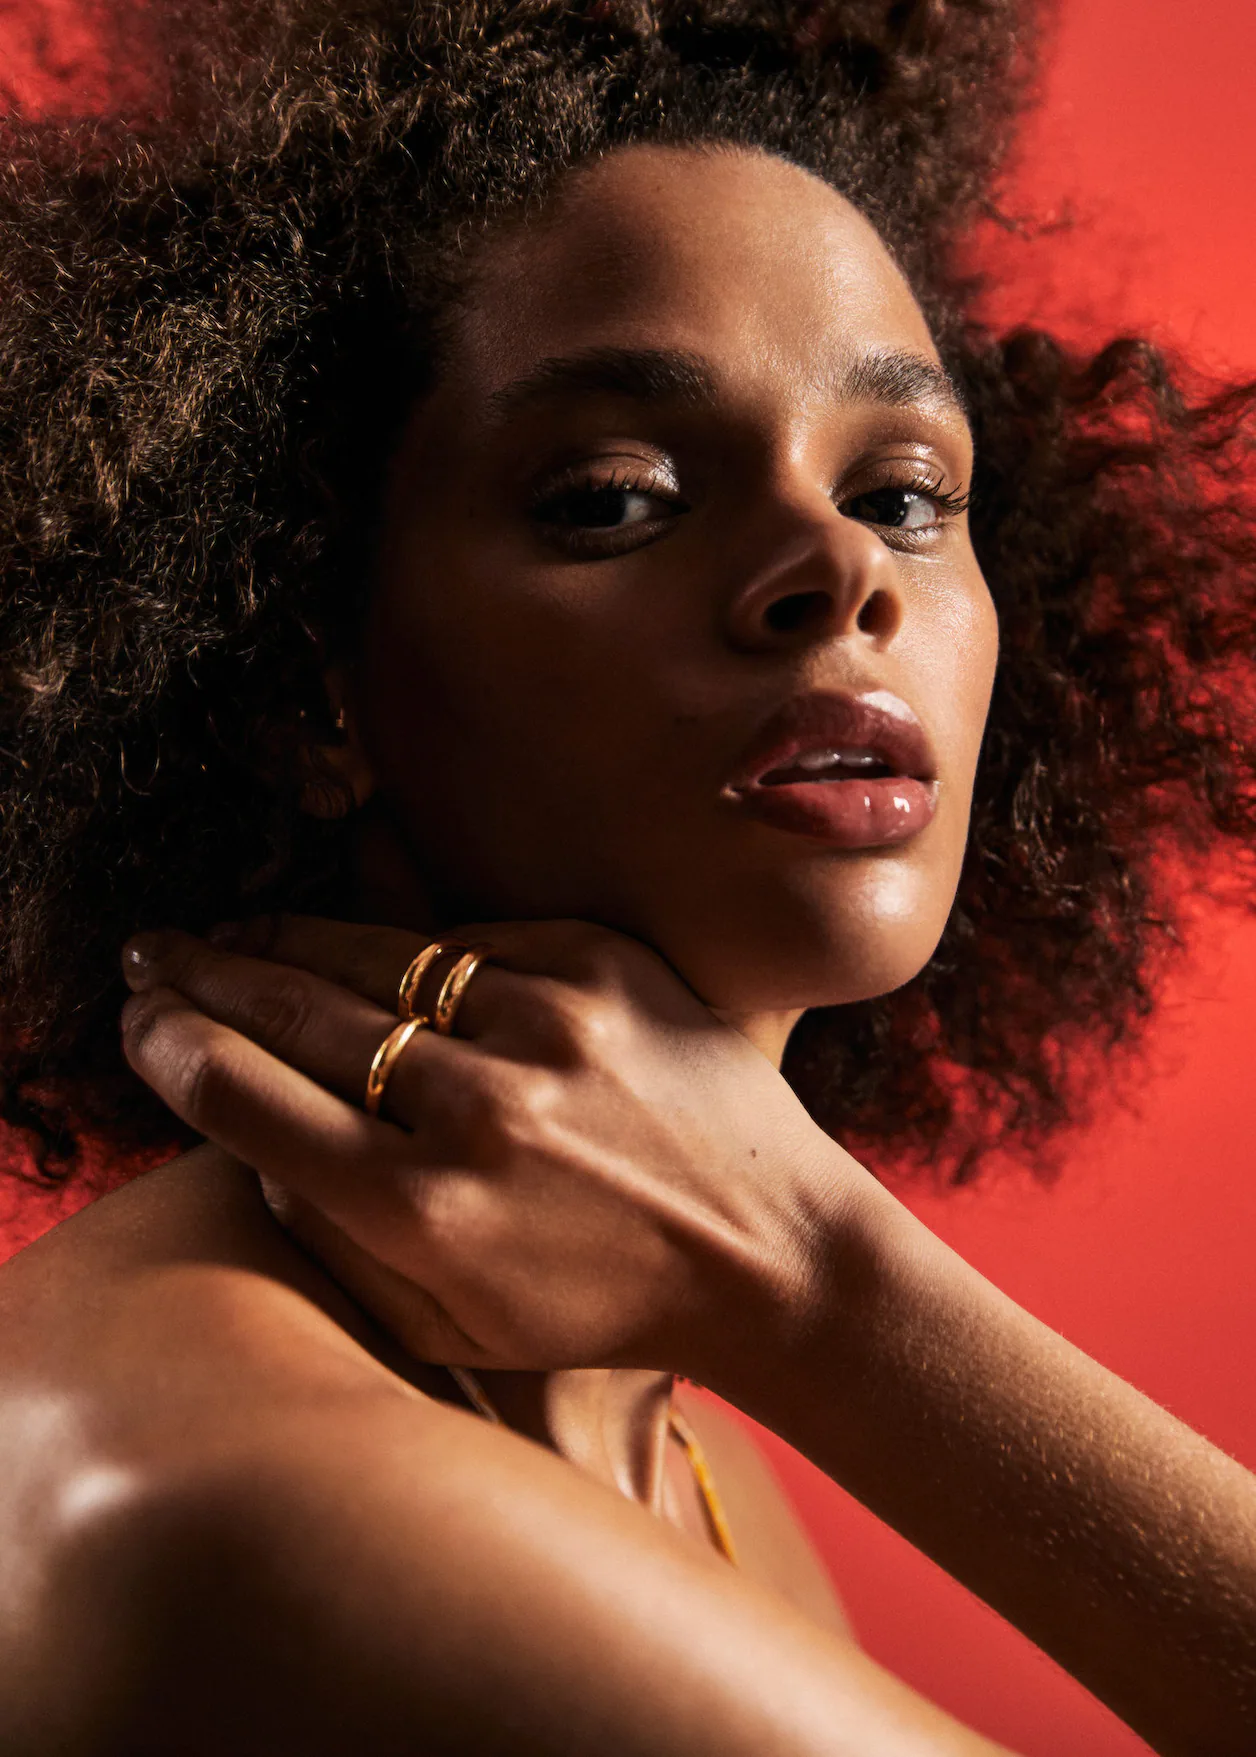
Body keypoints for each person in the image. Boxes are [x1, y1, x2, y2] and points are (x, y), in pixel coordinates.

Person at [0, 1, 1254, 1751]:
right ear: (304, 678)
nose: (837, 567)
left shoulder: (671, 1435)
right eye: (614, 499)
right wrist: (820, 1284)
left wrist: (801, 1291)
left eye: (904, 494)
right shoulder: (234, 1477)